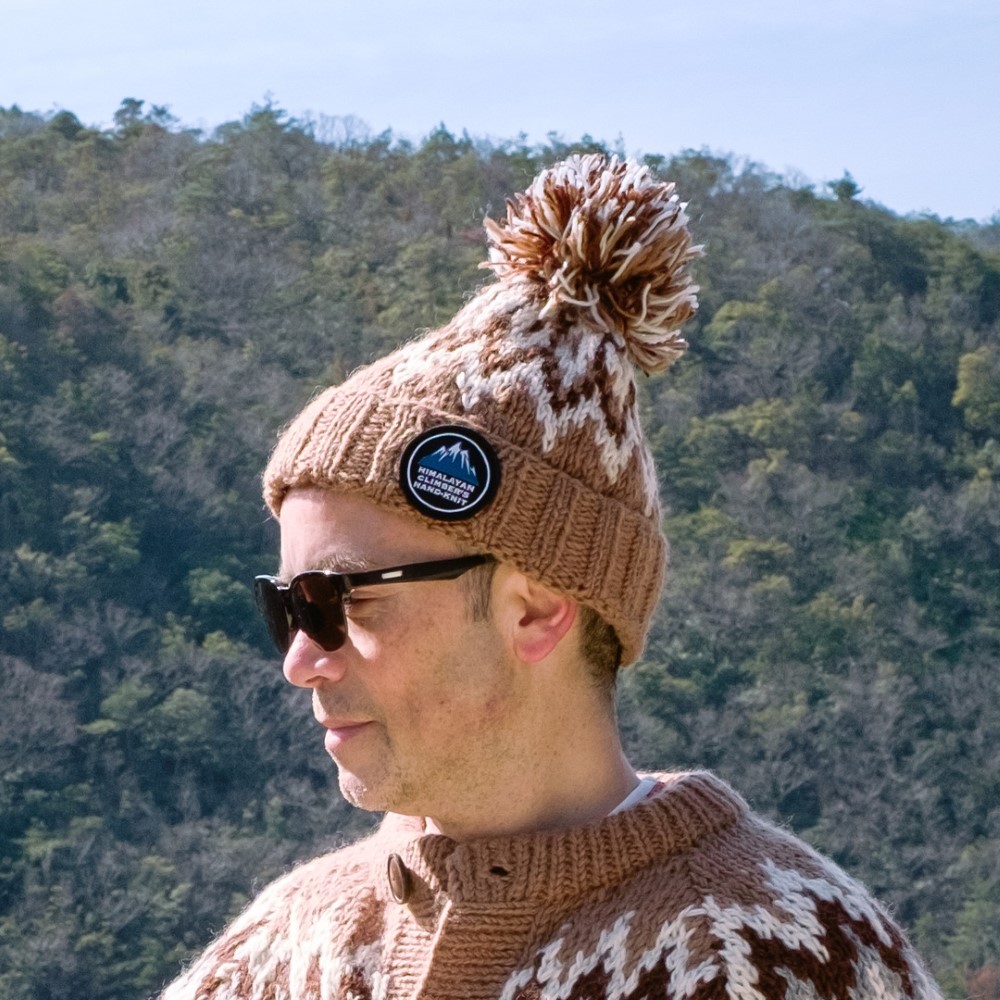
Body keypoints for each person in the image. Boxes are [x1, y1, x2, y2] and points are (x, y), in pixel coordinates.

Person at [160, 155, 941, 1000]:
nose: (300, 660)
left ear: (535, 610)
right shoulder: (279, 955)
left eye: (339, 601)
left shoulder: (788, 958)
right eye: (285, 605)